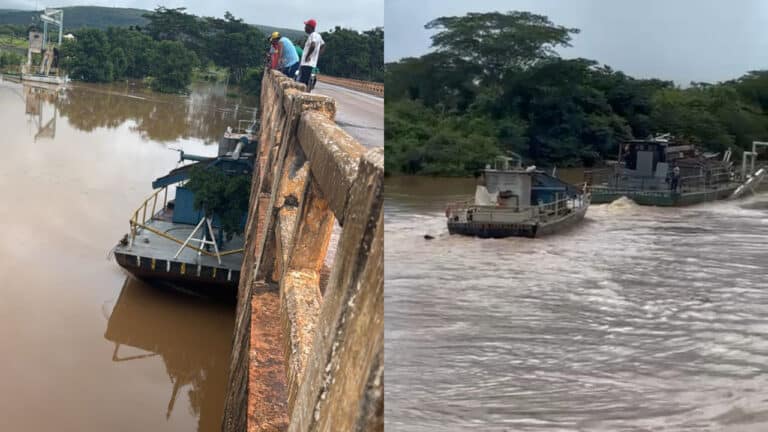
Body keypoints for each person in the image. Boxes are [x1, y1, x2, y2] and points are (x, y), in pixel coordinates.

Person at [298, 18, 325, 92]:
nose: (305, 28)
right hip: (310, 64)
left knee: (303, 84)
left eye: (306, 26)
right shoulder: (318, 36)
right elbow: (323, 45)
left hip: (307, 64)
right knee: (306, 84)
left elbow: (313, 45)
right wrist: (317, 56)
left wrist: (307, 56)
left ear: (310, 27)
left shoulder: (313, 35)